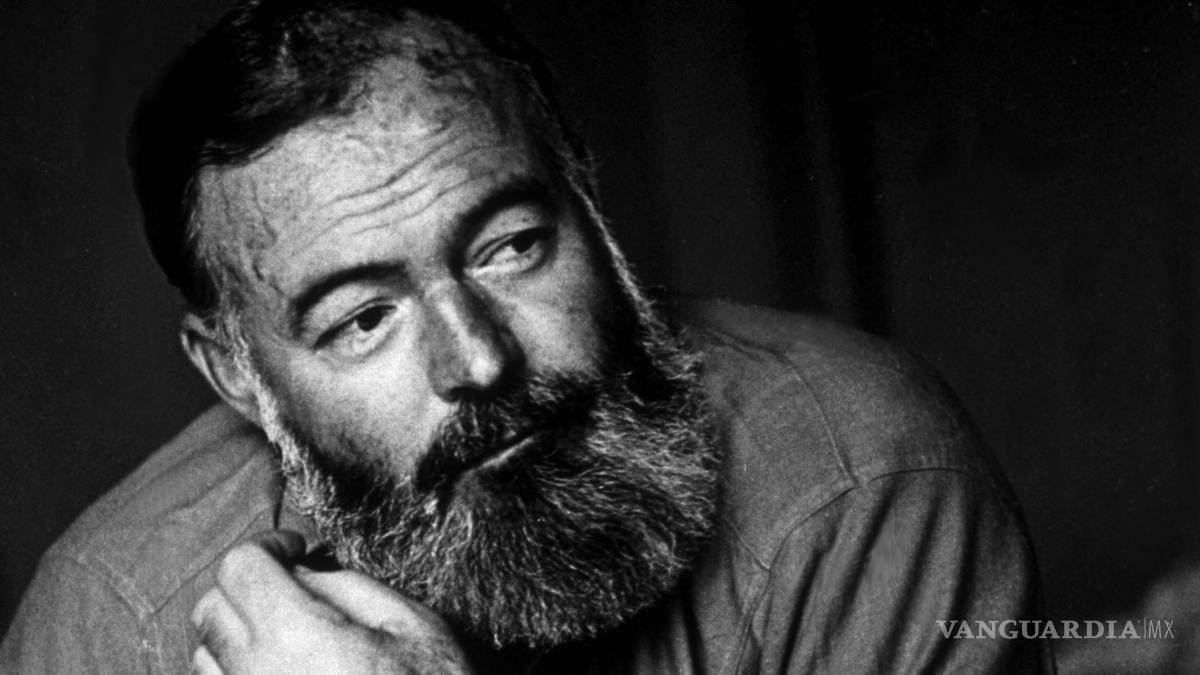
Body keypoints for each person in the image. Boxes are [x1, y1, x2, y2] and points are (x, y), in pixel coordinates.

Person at [0, 0, 1054, 672]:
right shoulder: (111, 622)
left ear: (588, 205)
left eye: (509, 247)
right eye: (363, 319)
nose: (479, 359)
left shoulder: (856, 475)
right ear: (237, 374)